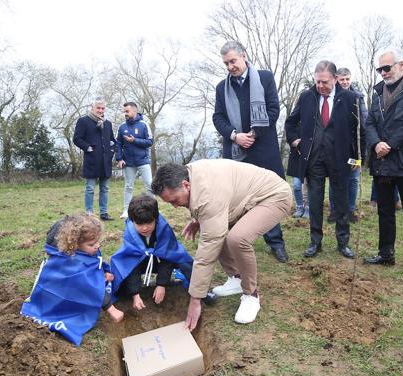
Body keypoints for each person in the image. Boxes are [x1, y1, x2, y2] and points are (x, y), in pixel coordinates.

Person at [151, 160, 292, 330]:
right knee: (218, 232)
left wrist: (195, 299)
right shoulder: (190, 175)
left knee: (237, 238)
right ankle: (237, 279)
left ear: (186, 185)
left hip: (274, 196)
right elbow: (213, 207)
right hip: (245, 198)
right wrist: (198, 220)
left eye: (174, 200)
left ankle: (251, 295)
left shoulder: (207, 195)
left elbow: (206, 254)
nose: (174, 206)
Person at [212, 41, 289, 263]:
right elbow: (218, 117)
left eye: (233, 61)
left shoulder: (264, 78)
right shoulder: (221, 88)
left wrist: (254, 134)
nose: (230, 66)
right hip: (236, 151)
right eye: (226, 63)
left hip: (263, 148)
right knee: (238, 199)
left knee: (267, 197)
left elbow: (273, 109)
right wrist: (235, 135)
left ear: (244, 56)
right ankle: (238, 242)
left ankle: (276, 242)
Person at [285, 60, 365, 259]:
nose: (320, 86)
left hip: (341, 159)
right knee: (315, 201)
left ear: (335, 79)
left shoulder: (350, 99)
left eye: (325, 82)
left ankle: (343, 242)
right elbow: (291, 123)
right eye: (317, 82)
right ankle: (315, 242)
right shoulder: (306, 97)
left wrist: (357, 160)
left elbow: (359, 131)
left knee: (341, 202)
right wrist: (295, 141)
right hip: (314, 159)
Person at [362, 49, 403, 280]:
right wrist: (376, 144)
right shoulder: (377, 93)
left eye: (387, 68)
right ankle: (386, 254)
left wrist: (388, 144)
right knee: (385, 211)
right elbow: (369, 122)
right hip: (383, 162)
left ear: (401, 65)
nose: (383, 73)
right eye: (380, 69)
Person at [21, 214, 123, 346]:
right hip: (60, 295)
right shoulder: (72, 263)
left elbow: (95, 261)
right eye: (92, 244)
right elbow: (91, 287)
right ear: (75, 245)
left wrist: (105, 270)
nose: (97, 246)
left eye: (98, 241)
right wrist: (111, 309)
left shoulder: (86, 249)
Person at [110, 194, 194, 310]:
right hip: (142, 263)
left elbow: (168, 256)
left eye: (149, 223)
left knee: (184, 261)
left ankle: (196, 289)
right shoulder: (130, 234)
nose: (145, 228)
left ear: (156, 218)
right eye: (139, 224)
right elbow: (130, 262)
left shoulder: (163, 229)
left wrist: (161, 284)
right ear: (132, 220)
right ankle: (127, 293)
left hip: (160, 261)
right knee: (123, 268)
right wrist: (135, 294)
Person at [327, 67, 368, 223]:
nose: (344, 82)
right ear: (337, 79)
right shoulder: (333, 97)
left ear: (350, 79)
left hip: (353, 149)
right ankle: (334, 210)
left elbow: (363, 124)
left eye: (347, 79)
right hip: (336, 149)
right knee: (335, 179)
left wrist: (360, 156)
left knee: (353, 179)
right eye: (342, 79)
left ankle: (350, 210)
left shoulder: (358, 98)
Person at [73, 98, 116, 221]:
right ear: (92, 108)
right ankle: (89, 213)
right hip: (92, 160)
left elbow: (112, 140)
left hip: (105, 161)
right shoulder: (83, 121)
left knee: (105, 189)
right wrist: (88, 148)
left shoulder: (107, 123)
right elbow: (77, 138)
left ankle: (104, 213)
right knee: (90, 188)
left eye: (102, 108)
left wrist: (112, 150)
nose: (100, 110)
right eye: (98, 108)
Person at [115, 102, 154, 219]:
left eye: (127, 111)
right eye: (124, 111)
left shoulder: (144, 125)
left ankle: (153, 209)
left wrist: (135, 140)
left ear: (134, 111)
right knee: (128, 186)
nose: (125, 114)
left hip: (143, 161)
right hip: (128, 163)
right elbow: (118, 144)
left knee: (149, 185)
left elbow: (150, 142)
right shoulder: (122, 127)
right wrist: (119, 158)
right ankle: (126, 211)